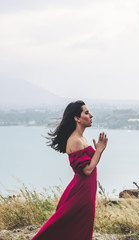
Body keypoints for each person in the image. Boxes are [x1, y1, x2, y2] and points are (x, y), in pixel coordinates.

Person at [32, 100, 108, 240]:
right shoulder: (75, 141)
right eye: (86, 113)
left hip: (85, 190)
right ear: (77, 118)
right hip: (81, 192)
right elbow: (87, 170)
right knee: (77, 229)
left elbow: (89, 165)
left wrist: (98, 151)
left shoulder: (81, 138)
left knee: (78, 229)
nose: (91, 115)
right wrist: (99, 150)